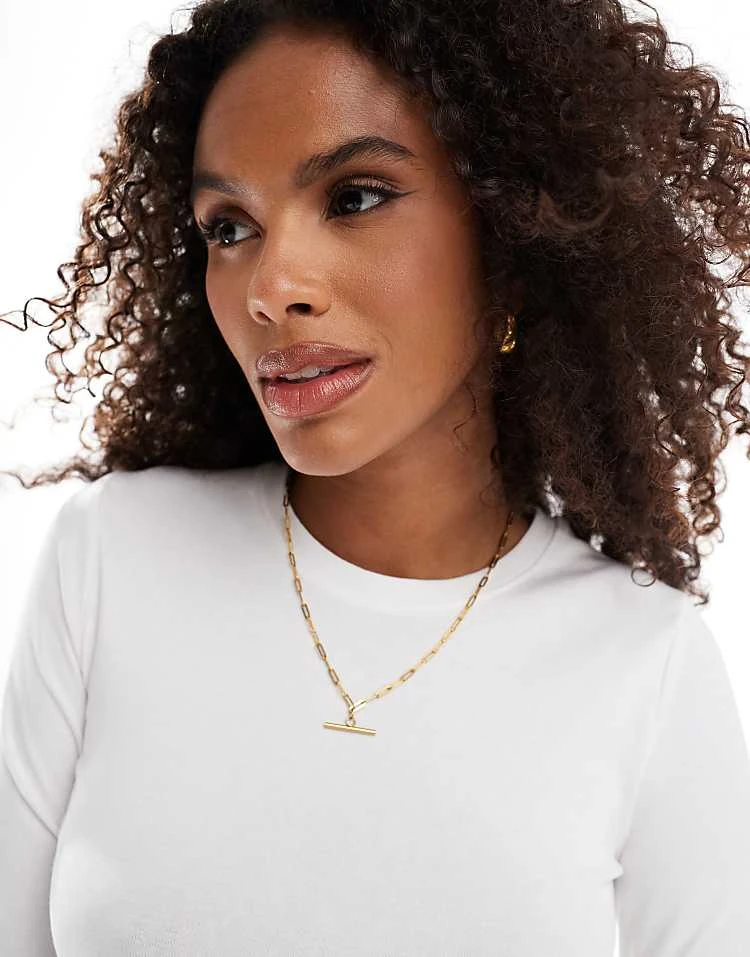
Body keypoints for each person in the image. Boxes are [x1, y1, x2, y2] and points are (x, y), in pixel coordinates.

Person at [2, 0, 750, 954]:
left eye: (354, 198)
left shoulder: (645, 662)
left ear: (512, 238)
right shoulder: (113, 558)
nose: (273, 288)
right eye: (229, 227)